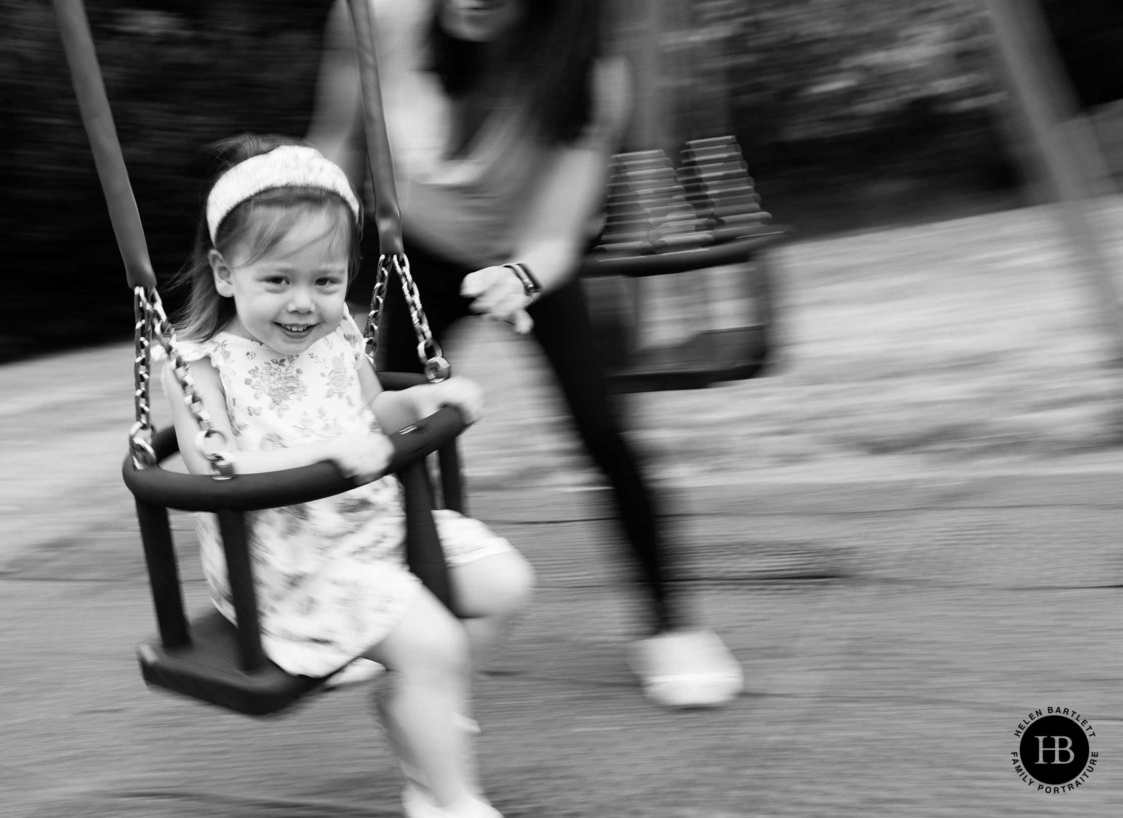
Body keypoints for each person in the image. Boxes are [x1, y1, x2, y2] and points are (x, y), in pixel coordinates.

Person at [308, 0, 744, 709]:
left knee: (602, 429)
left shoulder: (587, 73)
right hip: (419, 249)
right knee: (375, 429)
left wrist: (522, 279)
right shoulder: (373, 18)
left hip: (529, 261)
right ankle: (359, 611)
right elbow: (334, 140)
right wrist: (301, 245)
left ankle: (672, 627)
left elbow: (555, 237)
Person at [162, 134, 533, 818]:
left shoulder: (337, 338)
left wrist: (422, 400)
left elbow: (376, 409)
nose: (303, 303)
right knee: (434, 644)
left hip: (372, 525)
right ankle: (448, 796)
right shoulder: (196, 366)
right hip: (287, 566)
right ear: (224, 271)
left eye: (325, 281)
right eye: (277, 280)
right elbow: (215, 465)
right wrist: (328, 454)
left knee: (507, 584)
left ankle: (409, 700)